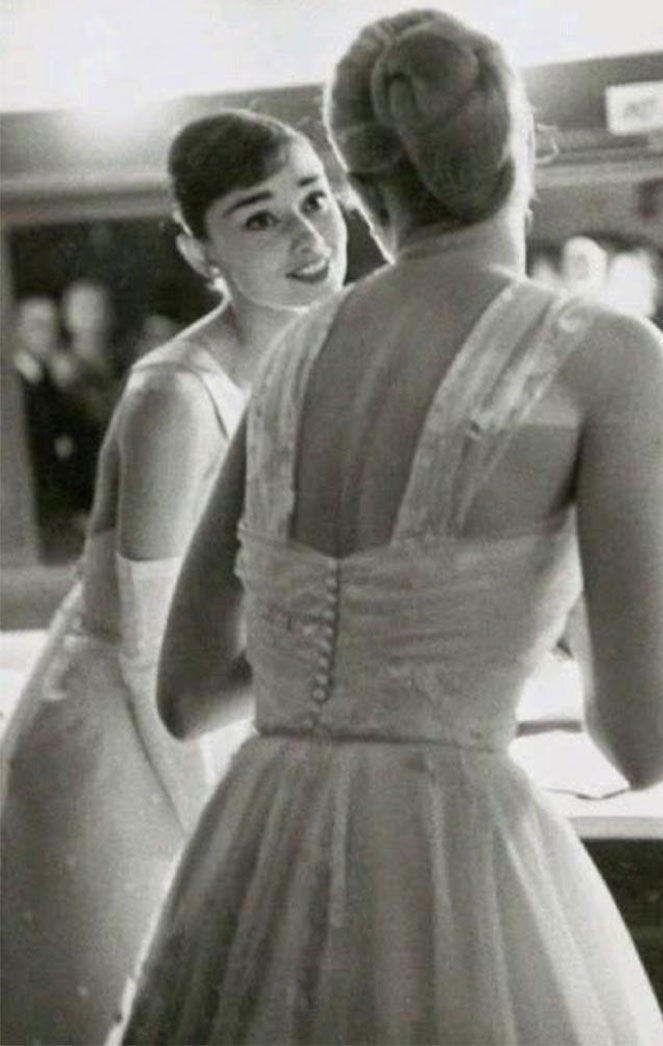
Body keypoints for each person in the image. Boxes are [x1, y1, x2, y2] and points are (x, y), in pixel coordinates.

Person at [122, 12, 663, 1045]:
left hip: (260, 845)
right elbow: (646, 745)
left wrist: (346, 662)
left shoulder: (290, 359)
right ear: (518, 147)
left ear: (359, 183)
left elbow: (188, 692)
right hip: (448, 855)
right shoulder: (611, 355)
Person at [0, 109, 347, 1046]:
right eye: (260, 218)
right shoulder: (175, 398)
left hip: (211, 709)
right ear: (201, 254)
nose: (308, 235)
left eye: (315, 198)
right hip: (123, 740)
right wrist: (221, 831)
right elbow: (151, 649)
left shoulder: (314, 364)